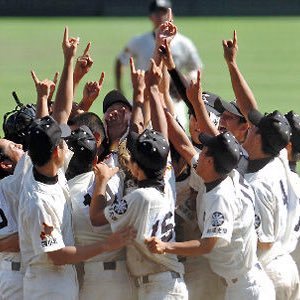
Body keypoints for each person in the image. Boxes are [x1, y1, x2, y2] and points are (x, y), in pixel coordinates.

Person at [145, 128, 275, 300]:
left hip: (247, 289)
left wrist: (165, 246)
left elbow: (208, 245)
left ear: (210, 161)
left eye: (204, 152)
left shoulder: (221, 197)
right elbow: (184, 146)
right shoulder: (225, 174)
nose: (199, 154)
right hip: (244, 285)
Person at [66, 126, 137, 300]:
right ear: (95, 159)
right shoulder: (112, 178)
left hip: (92, 279)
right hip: (122, 278)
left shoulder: (63, 194)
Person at [115, 0, 202, 128]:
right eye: (157, 12)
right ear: (150, 16)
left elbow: (195, 68)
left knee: (178, 129)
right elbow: (120, 61)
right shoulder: (138, 41)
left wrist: (187, 82)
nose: (161, 16)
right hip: (143, 98)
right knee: (138, 130)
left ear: (171, 14)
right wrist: (119, 89)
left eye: (164, 12)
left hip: (173, 99)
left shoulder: (184, 43)